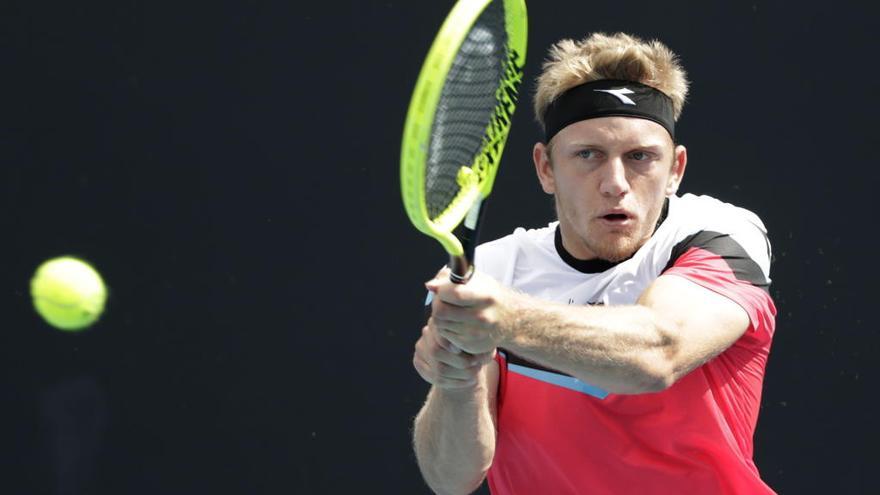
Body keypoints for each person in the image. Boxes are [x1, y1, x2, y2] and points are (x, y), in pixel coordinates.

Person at [411, 32, 777, 495]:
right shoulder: (495, 269)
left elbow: (658, 354)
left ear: (675, 170)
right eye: (588, 155)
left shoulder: (718, 234)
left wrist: (506, 319)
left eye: (641, 157)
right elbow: (451, 478)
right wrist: (457, 381)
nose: (615, 183)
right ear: (546, 168)